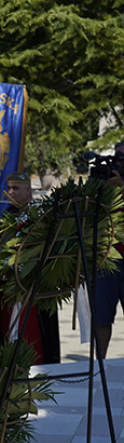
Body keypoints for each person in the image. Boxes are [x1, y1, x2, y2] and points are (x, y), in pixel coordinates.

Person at [0, 171, 60, 364]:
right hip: (6, 290)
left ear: (28, 191)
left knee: (29, 338)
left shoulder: (39, 217)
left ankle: (31, 377)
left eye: (15, 189)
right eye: (8, 188)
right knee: (7, 335)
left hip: (28, 291)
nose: (10, 192)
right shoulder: (9, 215)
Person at [94, 142, 124, 358]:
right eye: (117, 158)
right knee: (102, 317)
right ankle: (100, 365)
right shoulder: (105, 182)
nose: (119, 163)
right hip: (106, 258)